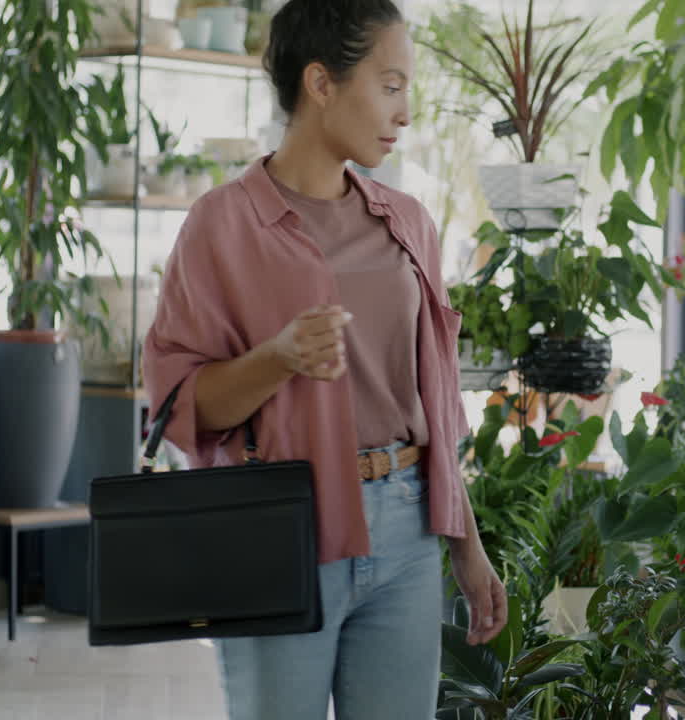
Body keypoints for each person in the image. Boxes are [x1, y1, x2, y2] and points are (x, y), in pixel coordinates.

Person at [142, 1, 507, 718]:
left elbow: (434, 404)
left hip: (406, 530)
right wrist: (277, 359)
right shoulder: (220, 224)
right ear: (321, 82)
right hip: (279, 528)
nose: (405, 112)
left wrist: (467, 548)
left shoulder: (408, 224)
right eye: (391, 84)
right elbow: (181, 409)